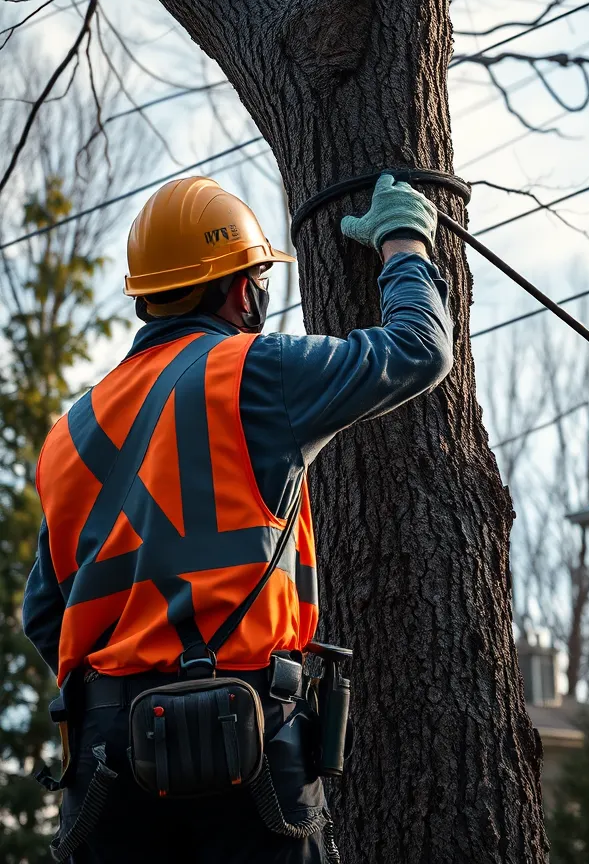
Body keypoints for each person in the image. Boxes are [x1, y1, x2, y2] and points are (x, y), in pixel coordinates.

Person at [22, 171, 454, 863]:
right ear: (243, 287)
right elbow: (417, 351)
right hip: (245, 743)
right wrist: (405, 244)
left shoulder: (68, 433)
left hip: (106, 762)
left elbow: (44, 616)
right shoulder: (254, 371)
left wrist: (121, 689)